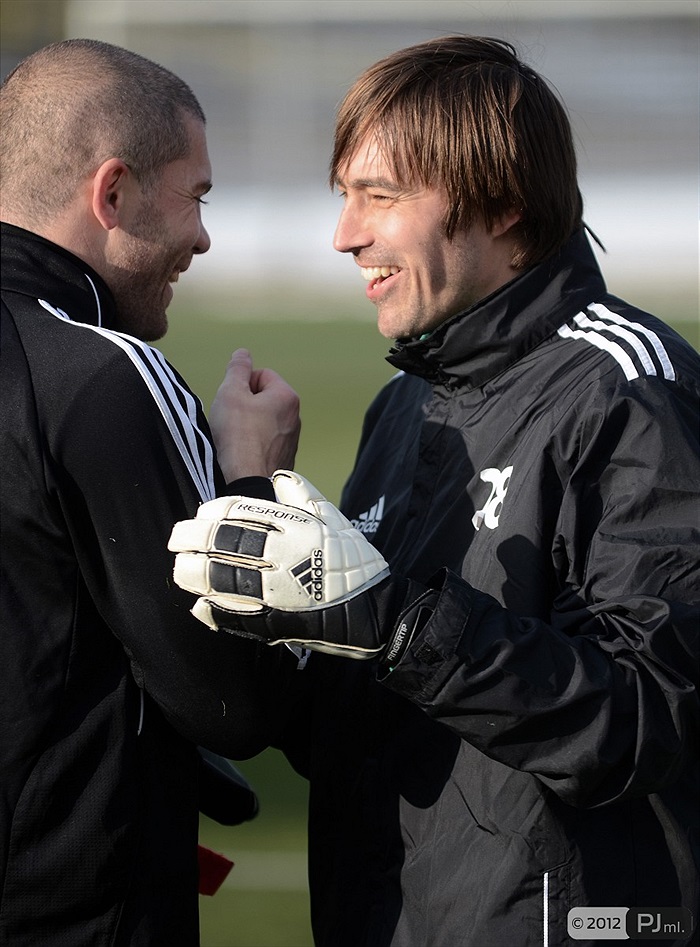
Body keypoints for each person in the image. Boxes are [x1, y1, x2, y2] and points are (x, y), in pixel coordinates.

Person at [170, 35, 700, 947]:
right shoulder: (404, 404)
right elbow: (387, 714)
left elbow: (655, 719)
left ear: (499, 205)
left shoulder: (629, 389)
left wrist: (393, 620)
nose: (344, 233)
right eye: (344, 195)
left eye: (379, 195)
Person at [0, 39, 301, 946]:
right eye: (195, 195)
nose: (203, 236)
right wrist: (256, 483)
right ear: (114, 193)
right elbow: (229, 703)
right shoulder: (102, 375)